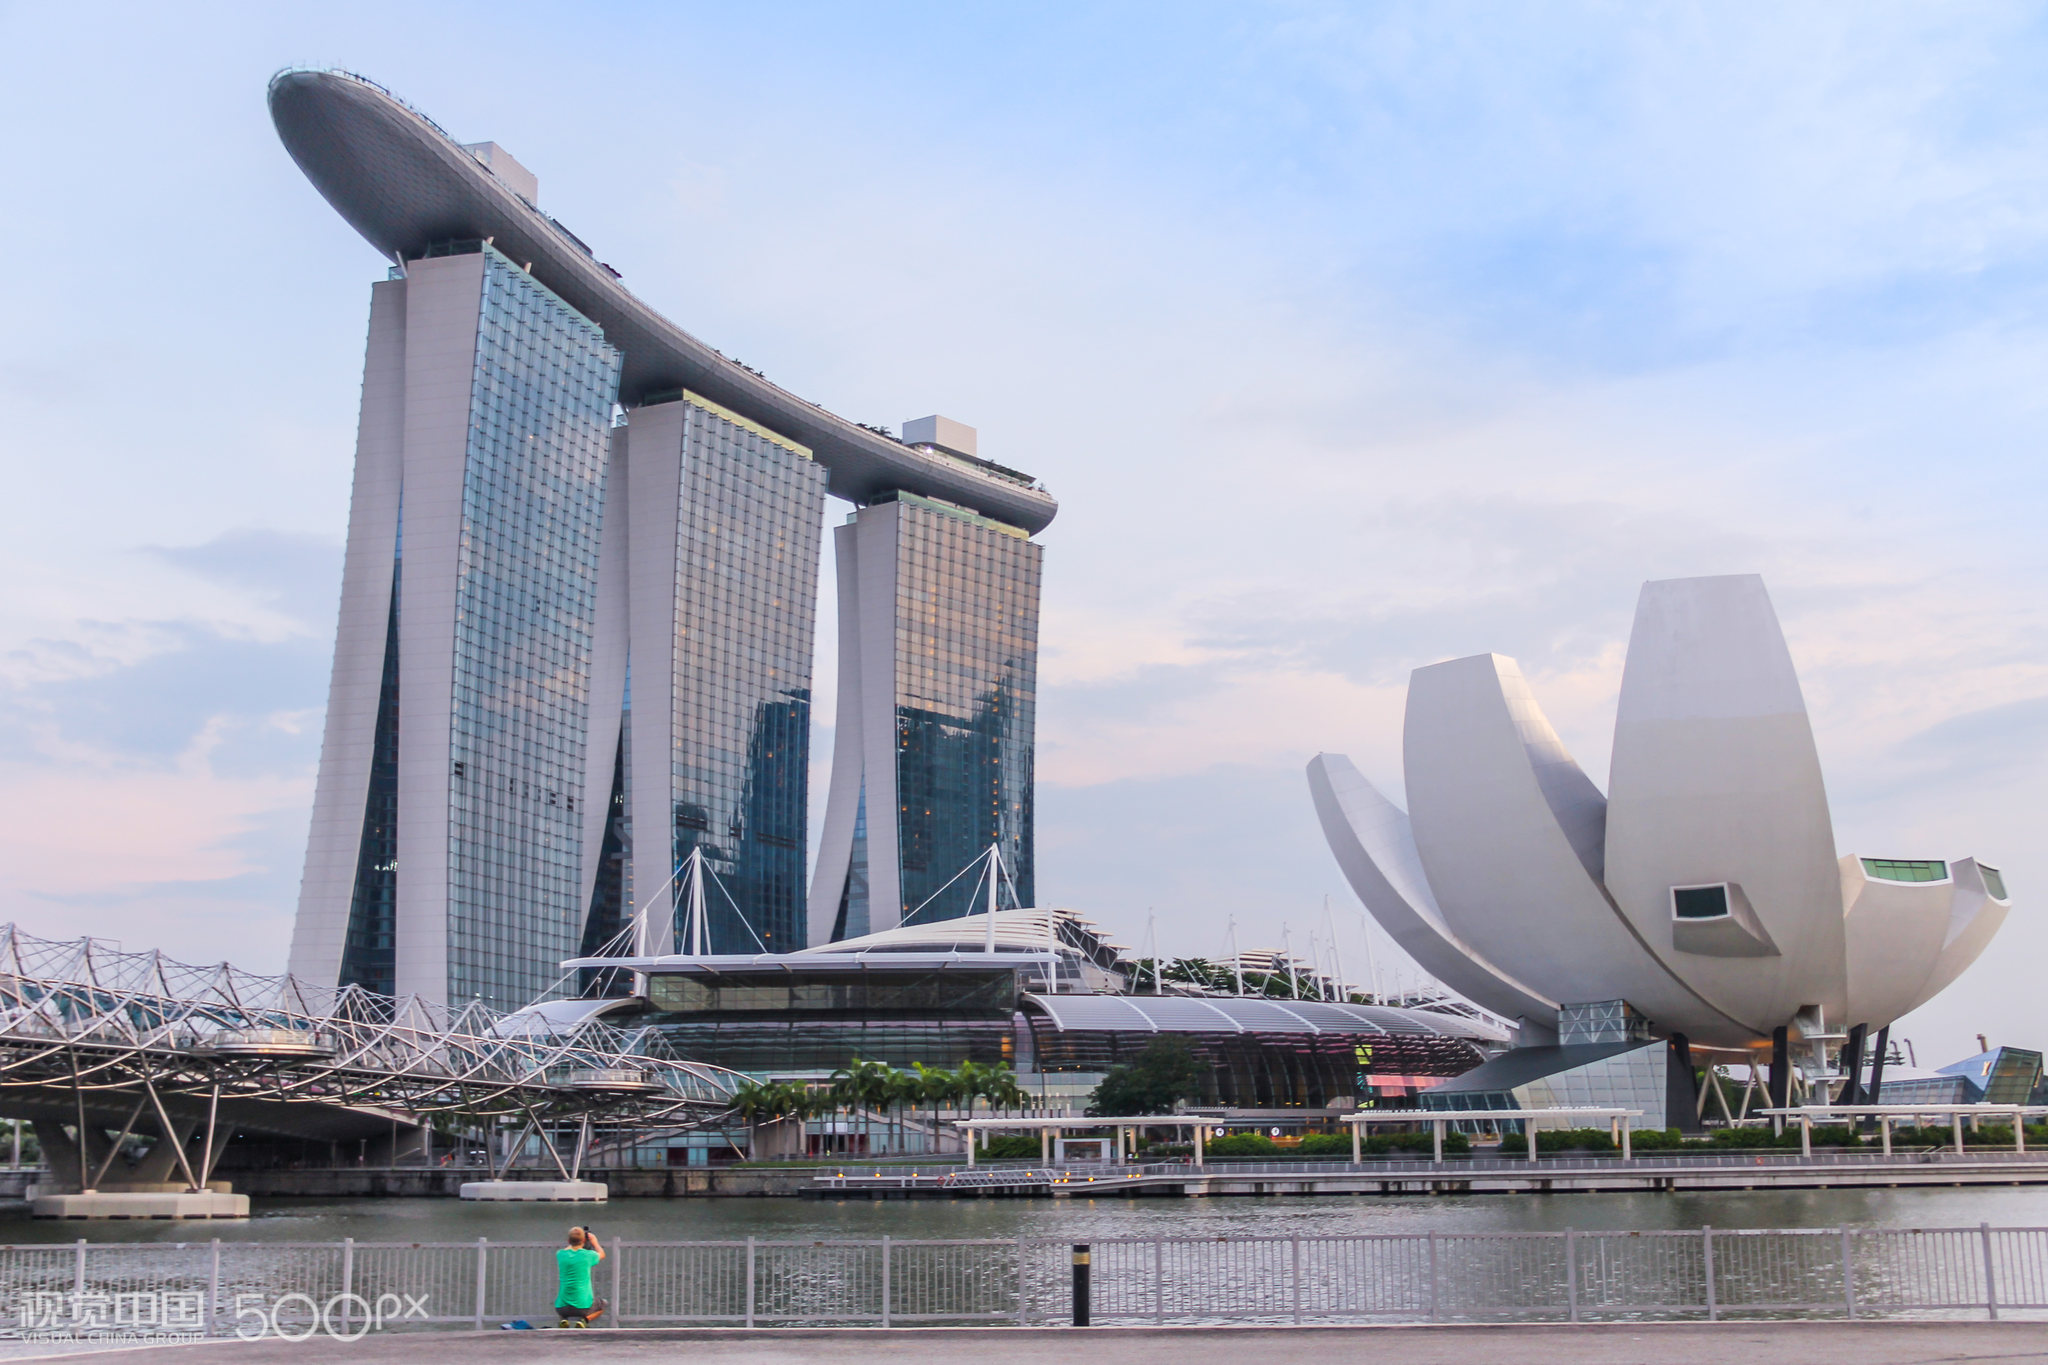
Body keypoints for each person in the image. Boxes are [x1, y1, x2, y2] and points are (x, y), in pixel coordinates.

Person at [554, 1226, 607, 1328]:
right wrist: (594, 1241)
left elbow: (569, 1249)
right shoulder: (588, 1255)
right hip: (583, 1307)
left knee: (563, 1301)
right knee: (603, 1304)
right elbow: (602, 1254)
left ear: (568, 1241)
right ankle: (584, 1321)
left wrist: (574, 1240)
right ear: (583, 1240)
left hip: (562, 1308)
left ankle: (563, 1319)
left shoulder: (560, 1254)